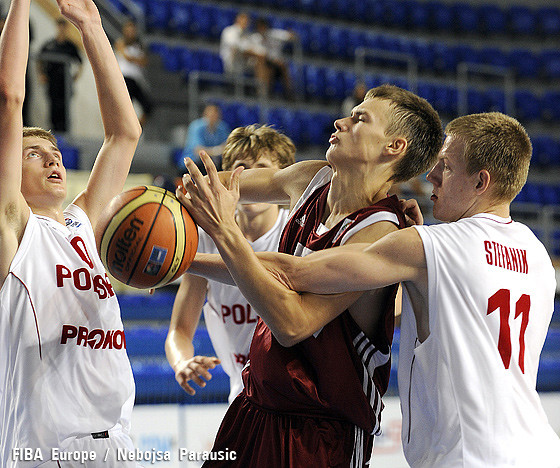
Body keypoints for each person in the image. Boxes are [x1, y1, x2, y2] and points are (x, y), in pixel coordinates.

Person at [183, 112, 560, 467]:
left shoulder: (429, 246)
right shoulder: (540, 258)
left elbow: (296, 272)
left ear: (481, 182)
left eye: (446, 165)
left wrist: (189, 256)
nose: (432, 175)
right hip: (538, 447)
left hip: (468, 455)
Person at [177, 84, 444, 466]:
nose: (340, 121)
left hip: (319, 434)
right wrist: (171, 240)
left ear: (394, 147)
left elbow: (291, 322)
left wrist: (223, 230)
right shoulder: (312, 179)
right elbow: (207, 191)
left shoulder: (379, 234)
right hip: (254, 406)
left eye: (359, 119)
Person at [0, 0, 142, 465]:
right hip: (47, 452)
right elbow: (9, 97)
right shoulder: (15, 229)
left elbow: (124, 134)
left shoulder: (84, 221)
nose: (53, 158)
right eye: (34, 154)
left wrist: (93, 27)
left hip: (117, 443)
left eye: (54, 150)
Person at [166, 125, 296, 404]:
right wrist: (181, 363)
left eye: (262, 167)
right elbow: (179, 330)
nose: (249, 176)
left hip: (295, 396)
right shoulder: (205, 238)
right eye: (240, 167)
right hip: (243, 396)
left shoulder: (296, 231)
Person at [37, 16, 83, 132]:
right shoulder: (49, 45)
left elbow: (80, 63)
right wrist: (41, 74)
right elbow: (39, 59)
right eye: (59, 26)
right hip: (52, 82)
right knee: (53, 111)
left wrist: (75, 77)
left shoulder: (70, 46)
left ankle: (65, 135)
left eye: (63, 26)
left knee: (65, 112)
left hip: (65, 83)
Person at [114, 18, 153, 127]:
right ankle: (122, 128)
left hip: (136, 80)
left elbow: (144, 61)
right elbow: (127, 57)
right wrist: (136, 60)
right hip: (124, 79)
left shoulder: (139, 45)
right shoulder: (120, 42)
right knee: (125, 108)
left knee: (148, 106)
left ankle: (137, 127)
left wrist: (134, 59)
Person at [219, 12, 268, 96]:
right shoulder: (229, 31)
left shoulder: (246, 34)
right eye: (244, 19)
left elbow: (255, 48)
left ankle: (262, 91)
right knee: (257, 55)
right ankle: (260, 91)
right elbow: (236, 46)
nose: (246, 22)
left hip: (243, 62)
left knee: (265, 62)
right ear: (238, 19)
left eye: (248, 20)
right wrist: (251, 50)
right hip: (229, 62)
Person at [249, 17, 296, 98]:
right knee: (265, 67)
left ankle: (289, 93)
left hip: (277, 64)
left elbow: (292, 36)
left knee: (283, 65)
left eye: (263, 27)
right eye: (259, 28)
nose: (262, 30)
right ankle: (264, 93)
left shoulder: (274, 34)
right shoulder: (254, 38)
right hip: (262, 63)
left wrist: (291, 34)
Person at [177, 102, 230, 174]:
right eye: (211, 113)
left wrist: (213, 151)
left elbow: (227, 147)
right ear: (205, 114)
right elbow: (199, 151)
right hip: (194, 163)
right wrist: (217, 150)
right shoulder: (196, 126)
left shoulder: (222, 127)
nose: (213, 116)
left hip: (213, 163)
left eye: (216, 113)